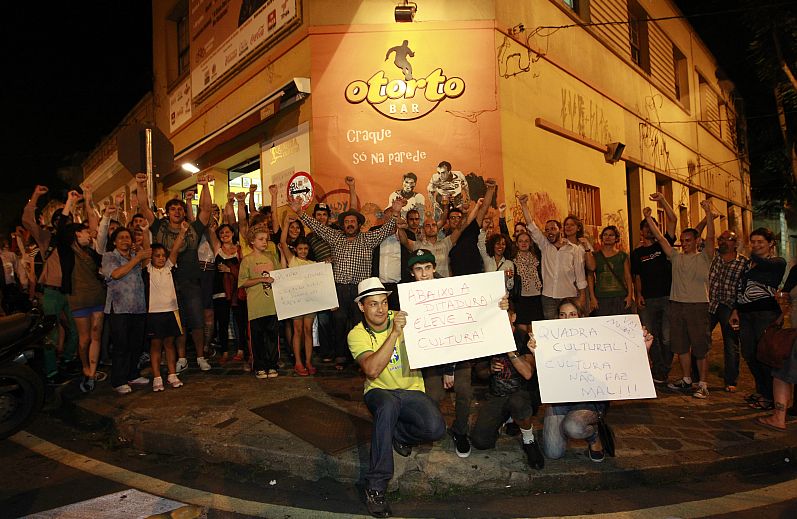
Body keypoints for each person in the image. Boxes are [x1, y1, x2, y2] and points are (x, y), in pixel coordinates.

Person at [348, 277, 446, 518]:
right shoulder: (357, 334)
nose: (381, 309)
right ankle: (376, 487)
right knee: (388, 406)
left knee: (436, 429)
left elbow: (448, 320)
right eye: (373, 304)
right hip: (379, 391)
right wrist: (393, 334)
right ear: (362, 306)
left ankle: (399, 434)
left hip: (412, 389)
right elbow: (372, 370)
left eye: (384, 302)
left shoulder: (405, 317)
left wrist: (496, 309)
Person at [289, 185, 407, 370]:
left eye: (353, 221)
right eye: (347, 222)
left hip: (361, 290)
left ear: (359, 224)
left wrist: (396, 212)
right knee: (339, 323)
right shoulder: (335, 236)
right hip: (339, 288)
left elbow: (387, 230)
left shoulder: (368, 239)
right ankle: (341, 356)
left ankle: (362, 358)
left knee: (361, 323)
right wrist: (300, 212)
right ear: (342, 224)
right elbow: (317, 227)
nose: (350, 224)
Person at [539, 299, 654, 462]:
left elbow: (627, 367)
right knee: (553, 453)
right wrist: (537, 355)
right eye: (562, 315)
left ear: (581, 317)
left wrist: (643, 350)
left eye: (572, 314)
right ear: (557, 318)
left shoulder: (597, 339)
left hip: (589, 402)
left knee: (574, 427)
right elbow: (542, 379)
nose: (567, 319)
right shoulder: (550, 343)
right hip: (560, 402)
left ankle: (594, 435)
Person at [136, 172, 213, 373]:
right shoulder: (159, 227)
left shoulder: (194, 227)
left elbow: (205, 208)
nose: (177, 211)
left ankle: (200, 356)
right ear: (168, 213)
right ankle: (181, 358)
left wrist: (204, 186)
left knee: (197, 321)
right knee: (179, 323)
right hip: (168, 283)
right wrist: (140, 185)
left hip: (192, 281)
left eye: (180, 209)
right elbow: (144, 207)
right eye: (173, 209)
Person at [406, 249, 475, 458]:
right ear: (412, 273)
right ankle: (431, 428)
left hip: (457, 353)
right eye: (419, 269)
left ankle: (460, 431)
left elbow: (459, 326)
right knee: (433, 396)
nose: (424, 274)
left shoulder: (449, 289)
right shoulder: (408, 295)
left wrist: (450, 369)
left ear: (434, 268)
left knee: (464, 391)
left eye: (428, 268)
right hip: (431, 357)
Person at [645, 200, 715, 399]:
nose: (684, 243)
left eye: (688, 240)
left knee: (700, 346)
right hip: (676, 305)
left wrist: (708, 213)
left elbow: (711, 236)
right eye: (682, 240)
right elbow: (660, 237)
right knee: (681, 345)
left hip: (698, 306)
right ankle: (686, 379)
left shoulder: (704, 257)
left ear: (696, 241)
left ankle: (702, 383)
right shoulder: (675, 257)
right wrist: (649, 217)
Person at [470, 304, 544, 469]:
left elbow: (527, 373)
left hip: (522, 394)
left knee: (518, 403)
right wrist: (489, 369)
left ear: (513, 317)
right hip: (497, 395)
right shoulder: (488, 337)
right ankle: (505, 419)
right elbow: (479, 372)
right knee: (480, 442)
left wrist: (510, 350)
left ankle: (528, 439)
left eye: (505, 317)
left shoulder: (524, 337)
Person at [22, 185, 80, 383]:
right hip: (52, 292)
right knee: (51, 334)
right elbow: (27, 221)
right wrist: (35, 196)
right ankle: (51, 372)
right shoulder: (47, 238)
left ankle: (66, 361)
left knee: (76, 329)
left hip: (72, 291)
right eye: (59, 220)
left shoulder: (75, 242)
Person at [730, 228, 787, 410]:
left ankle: (770, 397)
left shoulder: (776, 262)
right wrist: (735, 310)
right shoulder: (749, 264)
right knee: (749, 353)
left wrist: (748, 255)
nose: (755, 245)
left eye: (760, 242)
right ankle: (762, 391)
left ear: (770, 243)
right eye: (753, 242)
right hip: (746, 313)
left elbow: (763, 268)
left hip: (765, 313)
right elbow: (740, 287)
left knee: (765, 355)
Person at [631, 193, 678, 384]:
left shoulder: (664, 244)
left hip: (668, 297)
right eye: (646, 227)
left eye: (653, 227)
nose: (650, 230)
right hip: (648, 299)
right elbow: (637, 276)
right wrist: (639, 294)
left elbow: (673, 219)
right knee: (651, 336)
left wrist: (661, 201)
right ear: (642, 231)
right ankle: (659, 371)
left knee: (667, 337)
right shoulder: (637, 253)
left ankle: (665, 367)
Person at [518, 194, 587, 318]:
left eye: (553, 229)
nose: (550, 232)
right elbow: (531, 226)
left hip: (569, 297)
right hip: (548, 298)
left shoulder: (575, 250)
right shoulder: (545, 246)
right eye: (547, 230)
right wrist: (523, 205)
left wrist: (581, 298)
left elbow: (581, 277)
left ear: (560, 230)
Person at [101, 227, 150, 394]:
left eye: (127, 237)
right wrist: (136, 259)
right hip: (119, 307)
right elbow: (115, 274)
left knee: (135, 344)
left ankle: (132, 374)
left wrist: (145, 233)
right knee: (121, 345)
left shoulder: (134, 256)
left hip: (138, 307)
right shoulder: (110, 256)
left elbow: (147, 257)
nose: (125, 240)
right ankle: (118, 380)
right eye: (121, 237)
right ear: (114, 241)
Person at [145, 224, 190, 391]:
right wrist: (144, 231)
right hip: (154, 313)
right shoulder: (148, 269)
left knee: (169, 344)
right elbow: (145, 249)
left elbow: (176, 248)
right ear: (151, 258)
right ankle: (157, 376)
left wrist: (183, 232)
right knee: (156, 345)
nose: (161, 258)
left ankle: (172, 374)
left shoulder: (169, 267)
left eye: (163, 255)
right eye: (157, 256)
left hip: (171, 311)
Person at [238, 224, 283, 379]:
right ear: (252, 241)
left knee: (272, 337)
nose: (265, 242)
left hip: (272, 305)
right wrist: (262, 279)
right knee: (257, 338)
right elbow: (243, 282)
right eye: (261, 239)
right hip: (256, 307)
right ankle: (259, 366)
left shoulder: (272, 257)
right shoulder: (247, 260)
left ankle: (272, 365)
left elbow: (280, 275)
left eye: (266, 239)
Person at [707, 230, 746, 392]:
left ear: (735, 243)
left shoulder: (743, 263)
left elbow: (743, 288)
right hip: (710, 304)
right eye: (720, 239)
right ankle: (696, 377)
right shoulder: (712, 258)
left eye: (727, 239)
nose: (723, 242)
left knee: (730, 344)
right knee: (700, 340)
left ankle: (731, 380)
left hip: (729, 307)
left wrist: (737, 310)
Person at [279, 212, 317, 376]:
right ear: (296, 249)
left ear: (309, 250)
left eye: (305, 249)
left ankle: (308, 361)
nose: (303, 251)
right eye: (300, 248)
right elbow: (282, 241)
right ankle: (298, 362)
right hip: (295, 301)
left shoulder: (313, 263)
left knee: (308, 330)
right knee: (297, 330)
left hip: (309, 301)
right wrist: (287, 222)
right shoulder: (292, 259)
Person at [211, 224, 248, 364]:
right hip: (220, 290)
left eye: (227, 232)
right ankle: (225, 351)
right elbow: (210, 232)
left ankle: (241, 349)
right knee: (223, 321)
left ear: (233, 233)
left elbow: (243, 269)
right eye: (221, 232)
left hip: (236, 291)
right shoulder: (217, 248)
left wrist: (229, 269)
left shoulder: (239, 249)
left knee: (239, 321)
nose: (224, 234)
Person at [587, 225, 634, 316]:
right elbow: (590, 277)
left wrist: (629, 295)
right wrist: (592, 297)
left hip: (620, 296)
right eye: (605, 235)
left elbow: (628, 276)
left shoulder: (622, 255)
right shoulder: (595, 255)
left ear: (616, 238)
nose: (607, 237)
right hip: (601, 297)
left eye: (611, 235)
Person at [511, 230, 543, 332]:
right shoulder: (513, 260)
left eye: (526, 241)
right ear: (516, 244)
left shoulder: (536, 258)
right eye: (520, 241)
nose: (523, 243)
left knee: (534, 330)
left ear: (530, 243)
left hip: (536, 298)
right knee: (522, 330)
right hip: (521, 299)